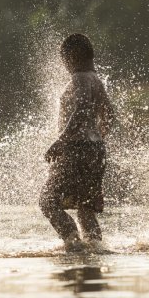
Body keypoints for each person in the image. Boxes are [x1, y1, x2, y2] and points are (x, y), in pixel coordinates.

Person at [39, 33, 114, 250]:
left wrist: (61, 141)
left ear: (73, 56)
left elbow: (81, 110)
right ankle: (95, 250)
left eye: (64, 59)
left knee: (47, 201)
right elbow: (108, 114)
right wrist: (97, 139)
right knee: (85, 208)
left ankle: (73, 244)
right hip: (95, 149)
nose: (64, 66)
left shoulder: (80, 78)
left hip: (76, 148)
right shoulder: (96, 79)